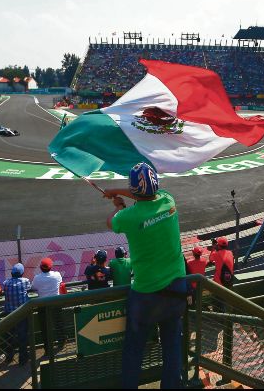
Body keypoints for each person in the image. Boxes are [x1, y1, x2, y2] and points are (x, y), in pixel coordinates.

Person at [104, 162, 187, 389]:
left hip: (146, 295)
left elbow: (111, 222)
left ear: (133, 190)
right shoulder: (168, 201)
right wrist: (119, 194)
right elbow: (145, 194)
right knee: (172, 346)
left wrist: (117, 205)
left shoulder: (128, 217)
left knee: (134, 350)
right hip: (176, 288)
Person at [31, 258, 65, 357]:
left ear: (40, 267)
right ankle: (62, 341)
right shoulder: (57, 275)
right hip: (55, 303)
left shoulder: (37, 278)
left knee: (45, 328)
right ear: (51, 267)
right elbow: (60, 283)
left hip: (43, 305)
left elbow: (33, 288)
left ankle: (48, 349)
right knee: (59, 323)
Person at [2, 263, 32, 366]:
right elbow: (29, 288)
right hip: (22, 312)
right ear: (22, 273)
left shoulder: (6, 283)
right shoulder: (25, 281)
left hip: (9, 313)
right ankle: (23, 359)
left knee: (9, 336)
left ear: (11, 273)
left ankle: (9, 357)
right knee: (22, 336)